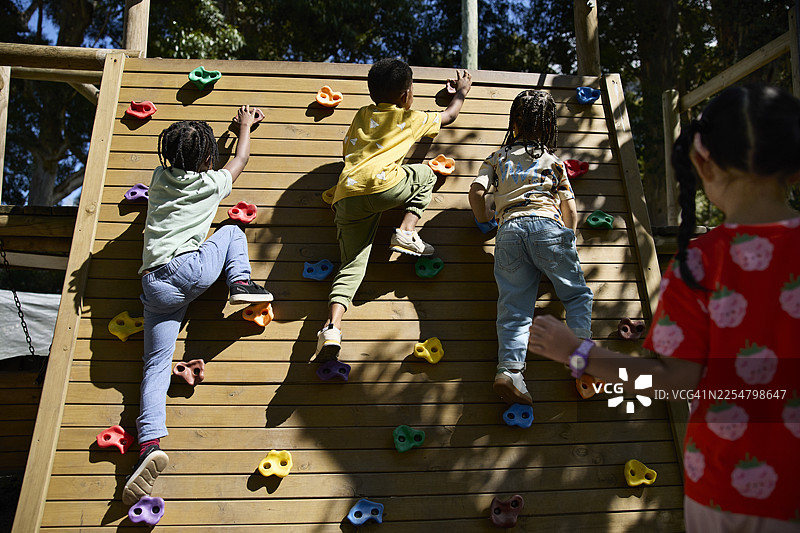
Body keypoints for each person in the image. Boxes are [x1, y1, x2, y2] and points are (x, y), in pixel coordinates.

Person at [529, 85, 800, 532]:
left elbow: (672, 381)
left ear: (702, 160)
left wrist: (575, 352)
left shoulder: (702, 263)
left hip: (731, 491)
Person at [122, 106, 274, 505]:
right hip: (189, 271)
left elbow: (192, 163)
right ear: (208, 160)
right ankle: (240, 282)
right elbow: (239, 159)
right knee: (230, 231)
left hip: (154, 285)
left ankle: (149, 445)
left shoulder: (158, 179)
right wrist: (243, 128)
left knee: (154, 367)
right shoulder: (211, 184)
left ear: (167, 157)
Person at [314, 58, 472, 362]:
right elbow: (449, 117)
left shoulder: (361, 114)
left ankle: (332, 328)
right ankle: (406, 231)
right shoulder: (411, 118)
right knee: (425, 174)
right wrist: (461, 93)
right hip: (386, 187)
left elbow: (347, 150)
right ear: (406, 94)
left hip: (347, 195)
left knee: (351, 265)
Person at [469, 89, 593, 406]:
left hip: (509, 232)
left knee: (514, 309)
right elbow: (571, 210)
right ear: (549, 126)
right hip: (548, 226)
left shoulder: (497, 158)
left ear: (515, 123)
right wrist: (569, 240)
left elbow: (476, 189)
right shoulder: (553, 162)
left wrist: (484, 217)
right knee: (576, 294)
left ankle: (510, 371)